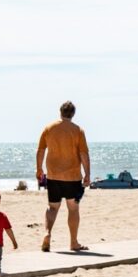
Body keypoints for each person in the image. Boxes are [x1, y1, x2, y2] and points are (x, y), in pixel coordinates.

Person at [35, 101, 91, 252]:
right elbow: (83, 154)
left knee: (52, 207)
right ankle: (73, 242)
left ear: (60, 112)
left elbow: (40, 150)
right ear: (73, 114)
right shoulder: (78, 130)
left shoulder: (49, 128)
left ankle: (47, 233)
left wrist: (39, 169)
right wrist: (87, 174)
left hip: (53, 175)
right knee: (73, 208)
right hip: (72, 177)